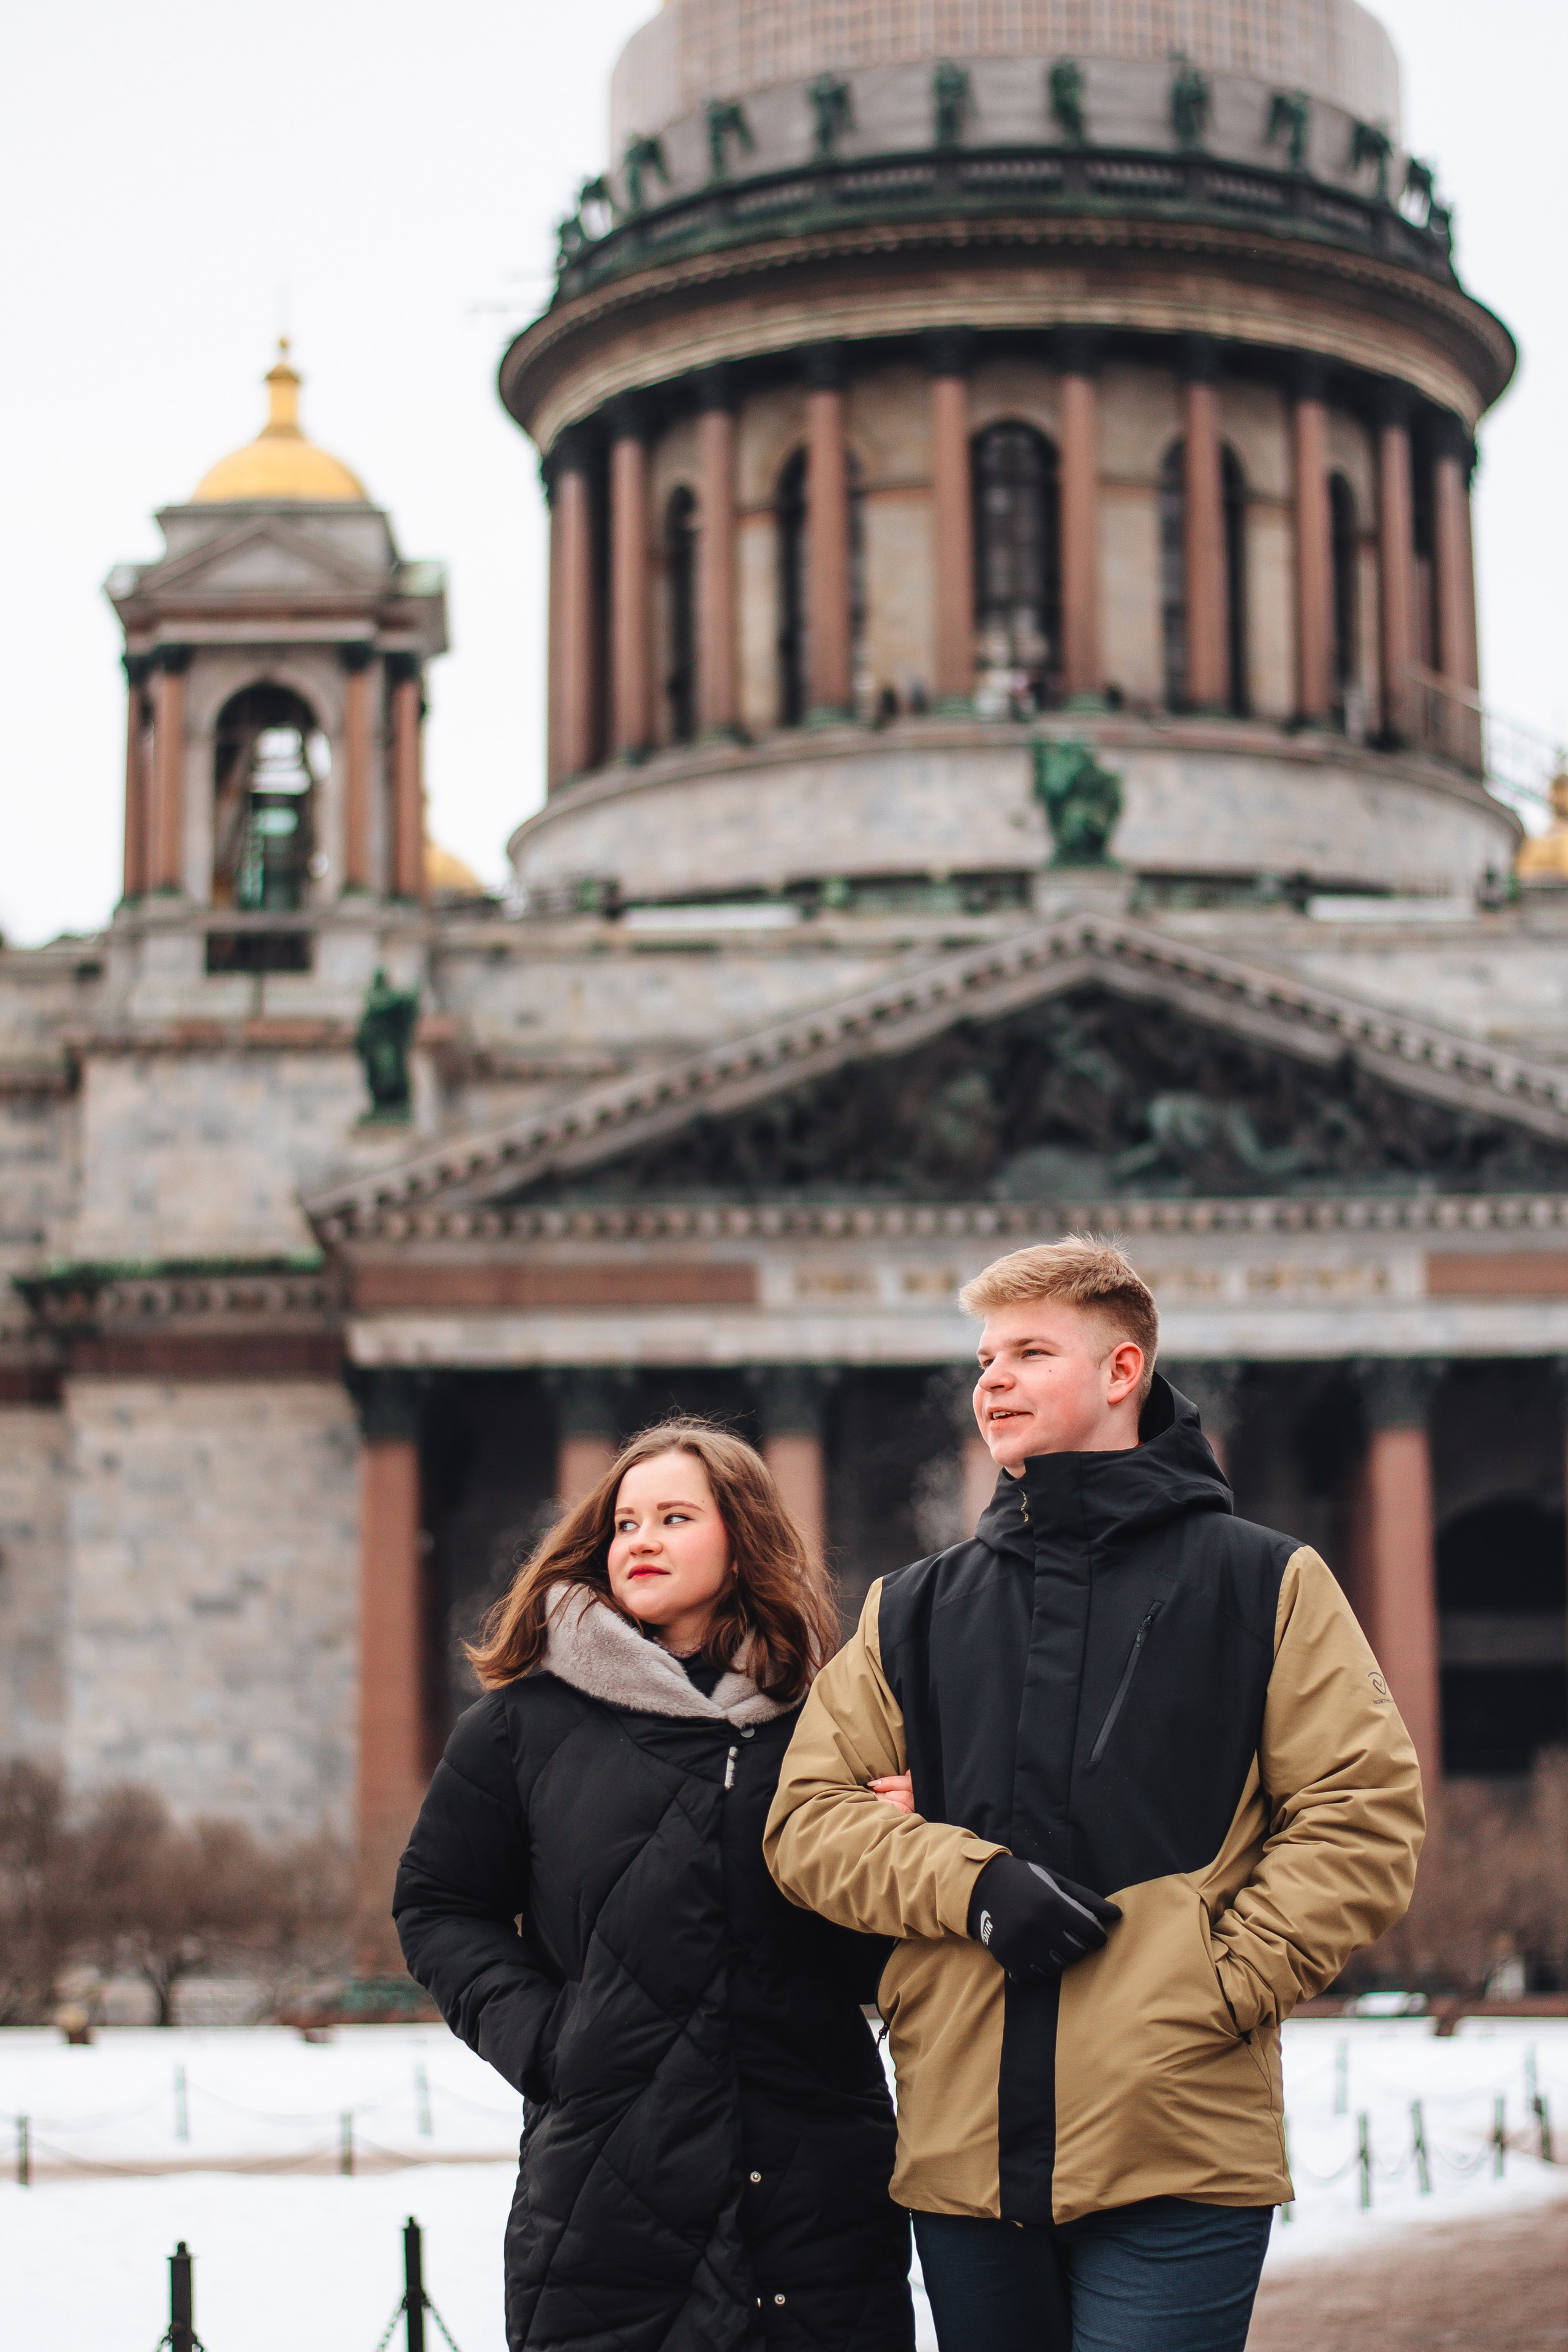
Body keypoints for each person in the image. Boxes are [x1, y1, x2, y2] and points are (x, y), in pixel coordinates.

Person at [765, 1236, 1426, 2352]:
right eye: (983, 1359)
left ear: (1124, 1372)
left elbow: (1362, 1818)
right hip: (964, 2149)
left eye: (1029, 1351)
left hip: (1178, 2137)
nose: (993, 1381)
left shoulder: (1265, 1581)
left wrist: (1210, 1990)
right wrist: (970, 1883)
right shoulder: (913, 1610)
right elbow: (806, 1825)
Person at [394, 1418, 915, 2352]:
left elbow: (863, 1961)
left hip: (817, 2194)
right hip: (607, 2193)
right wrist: (553, 2044)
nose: (641, 1541)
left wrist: (900, 1845)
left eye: (675, 1517)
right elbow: (439, 1905)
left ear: (743, 1536)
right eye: (625, 1524)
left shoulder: (829, 1721)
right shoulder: (521, 1725)